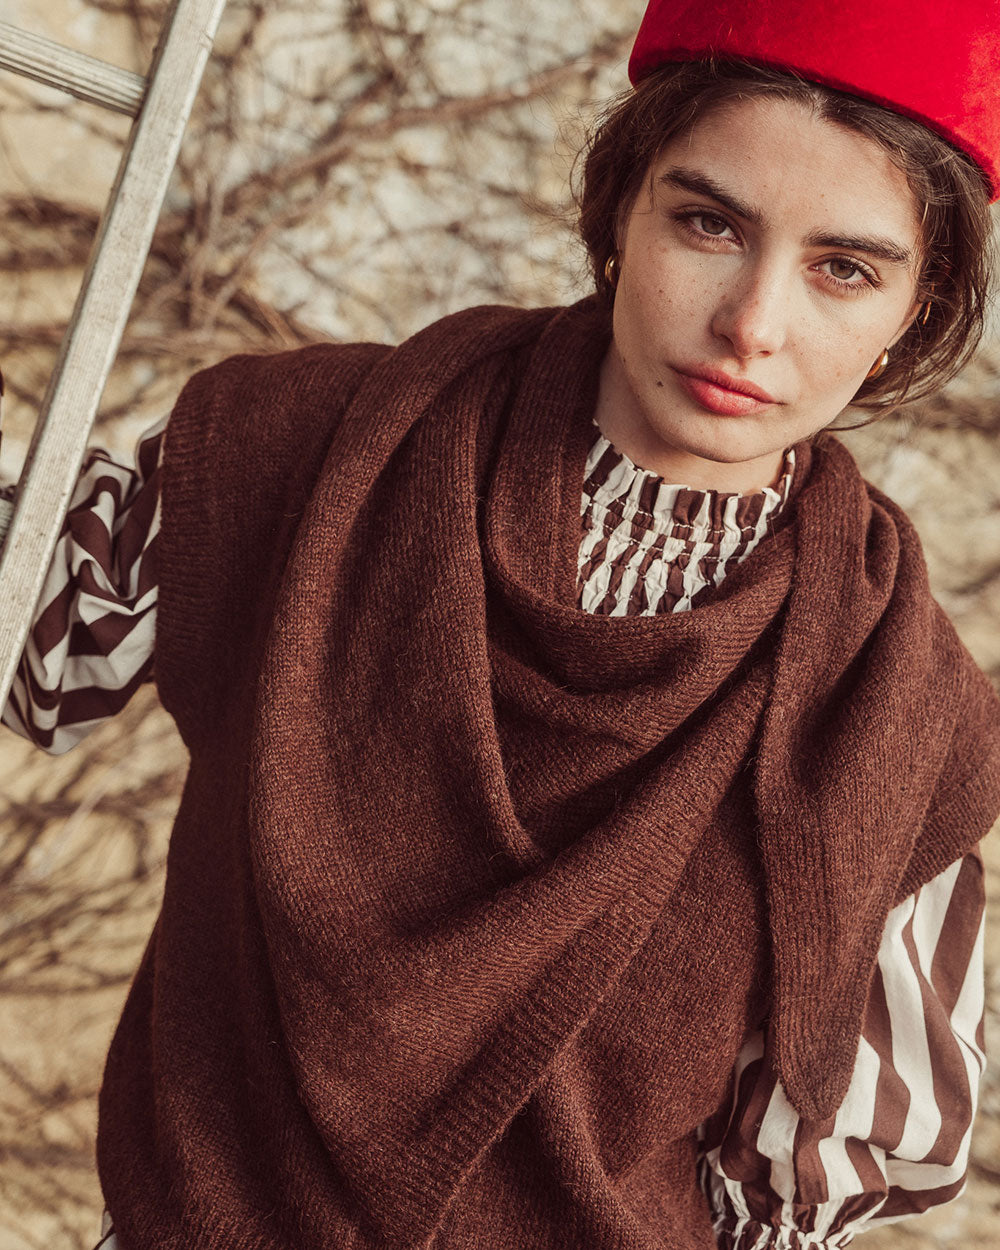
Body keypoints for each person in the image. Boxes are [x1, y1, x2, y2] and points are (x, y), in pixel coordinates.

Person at [2, 0, 1000, 1246]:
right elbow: (36, 644)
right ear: (619, 210)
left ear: (916, 309)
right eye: (708, 222)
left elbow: (830, 1165)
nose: (753, 323)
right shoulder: (310, 448)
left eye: (843, 268)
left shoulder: (897, 709)